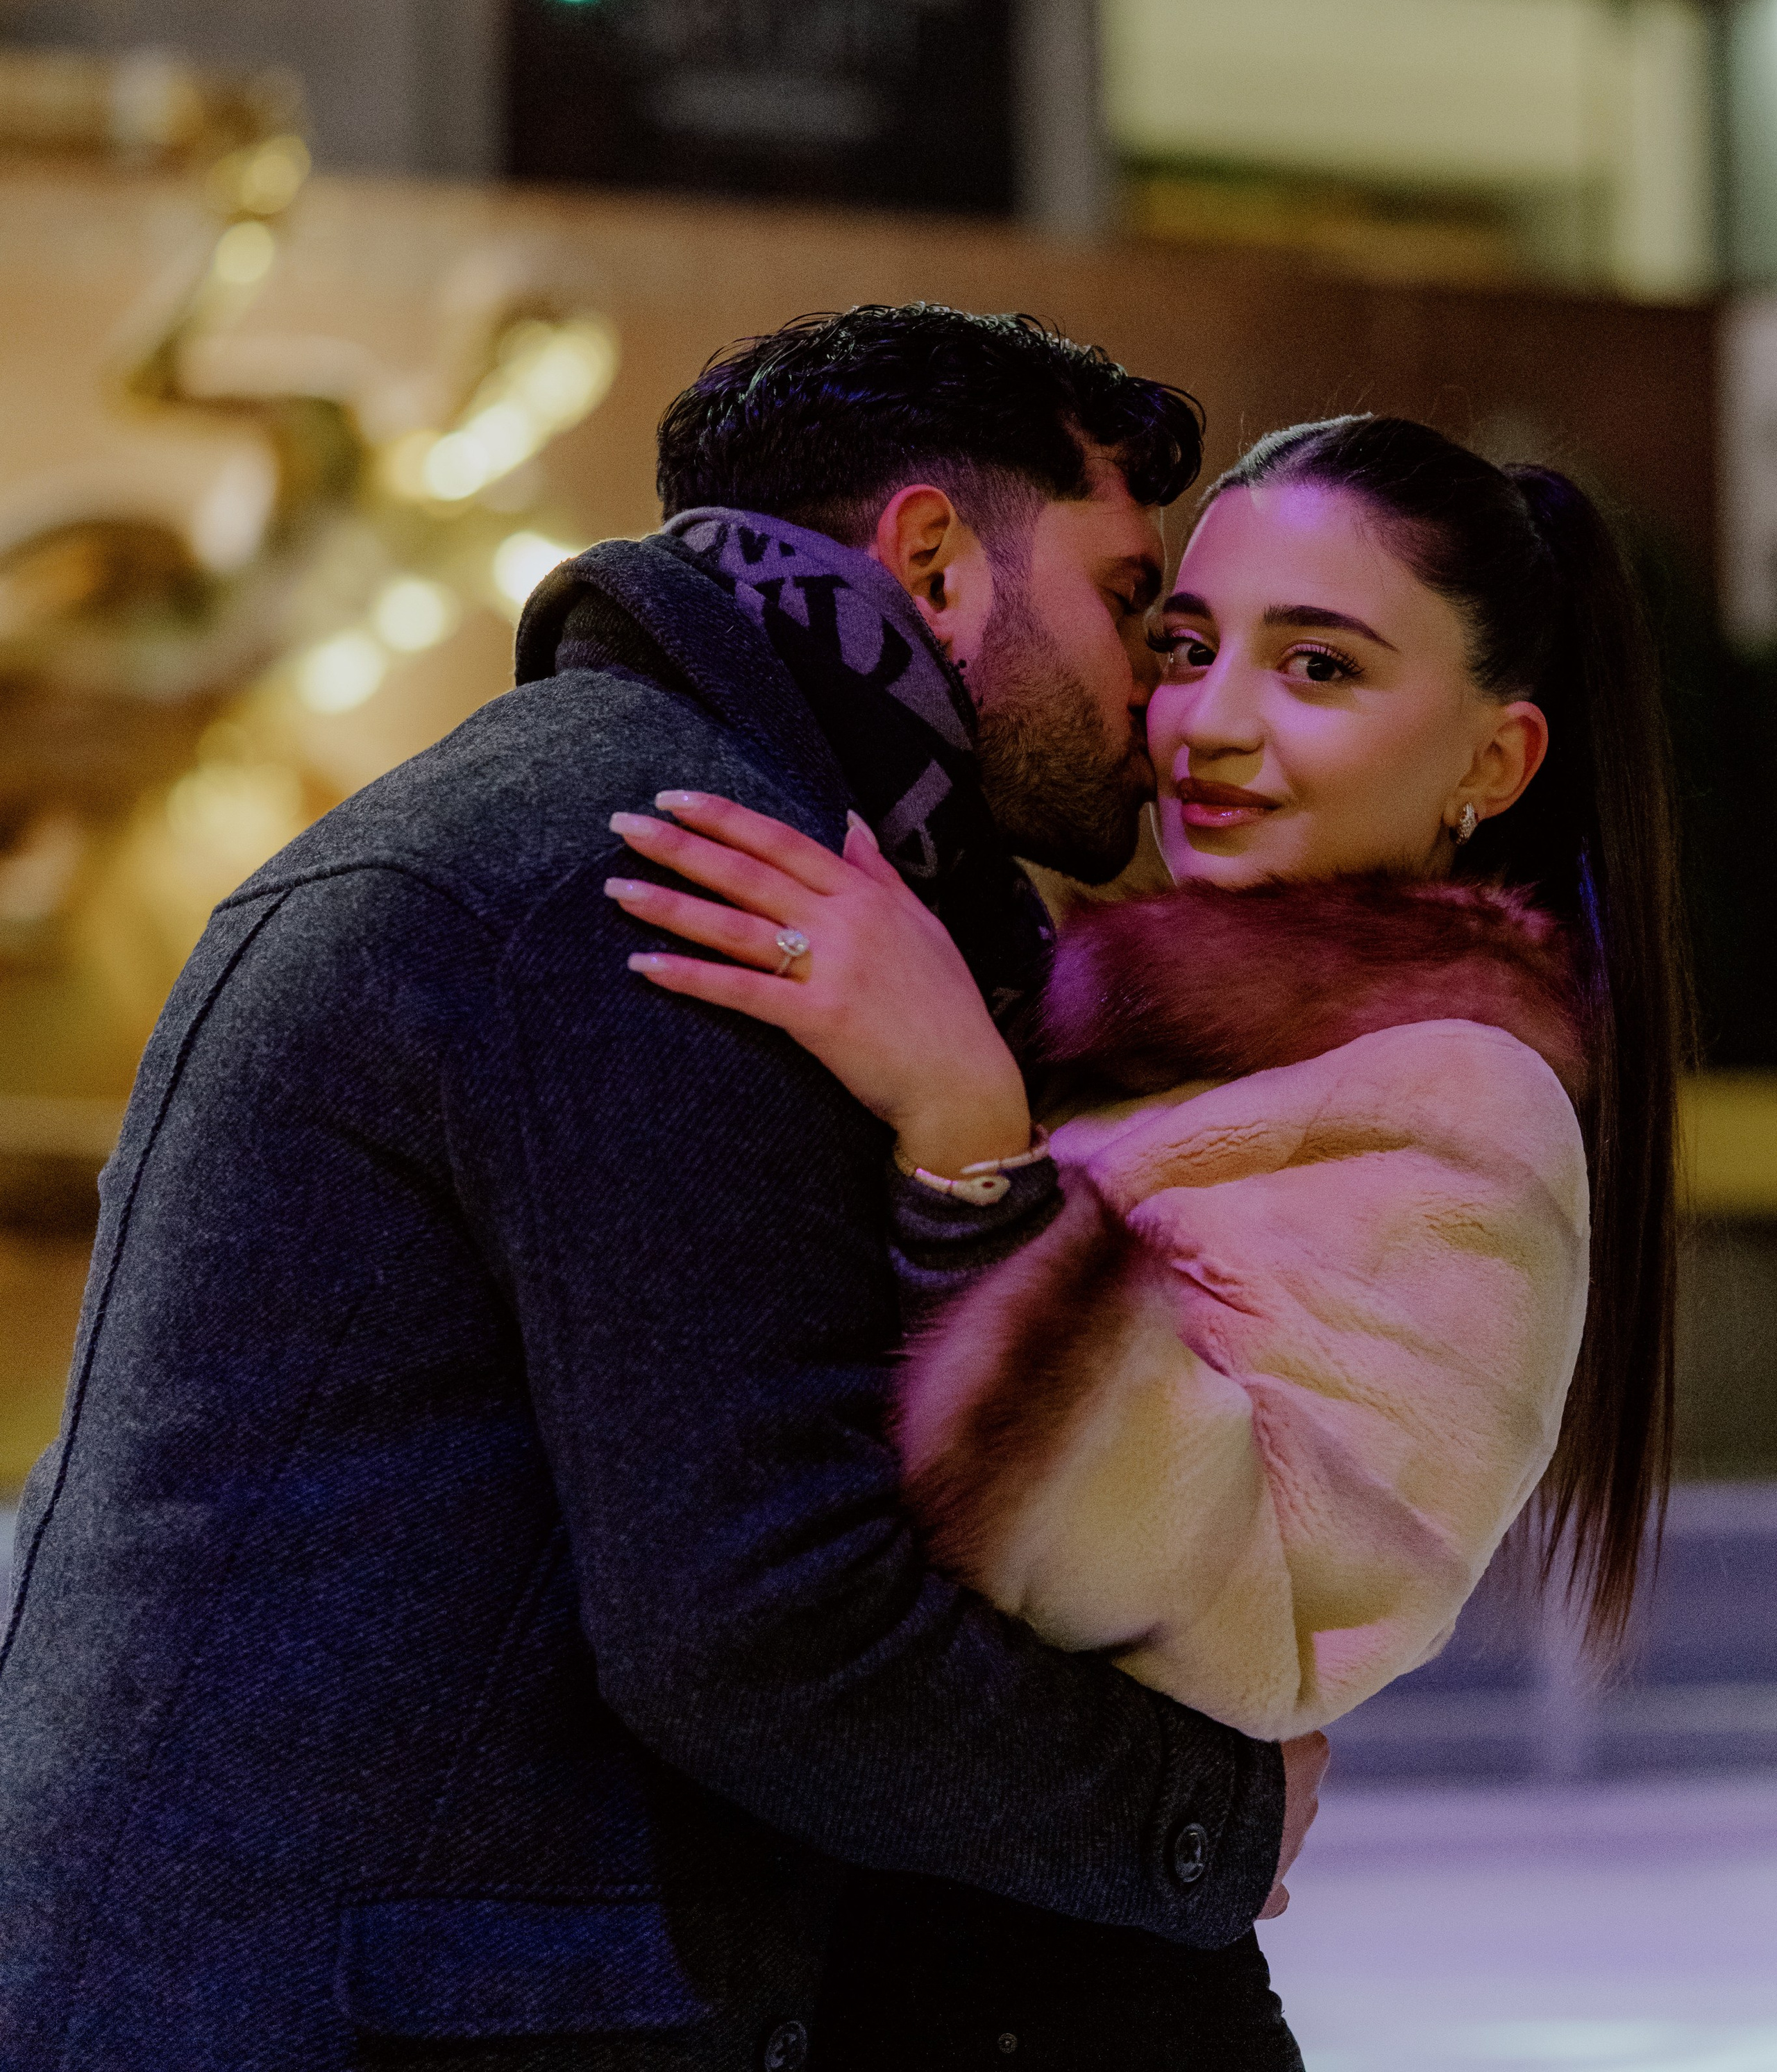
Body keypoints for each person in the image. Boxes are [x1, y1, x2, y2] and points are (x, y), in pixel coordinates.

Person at [0, 308, 1321, 2072]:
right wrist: (1206, 1815)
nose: (1158, 700)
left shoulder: (625, 826)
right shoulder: (664, 886)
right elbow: (764, 1628)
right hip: (344, 2013)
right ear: (932, 562)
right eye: (1126, 606)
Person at [614, 414, 1686, 2064]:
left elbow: (1241, 1616)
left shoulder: (1456, 1103)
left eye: (1317, 670)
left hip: (1069, 2013)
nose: (1208, 724)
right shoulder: (1106, 1034)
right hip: (899, 1972)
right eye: (1183, 645)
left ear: (1492, 762)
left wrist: (969, 1142)